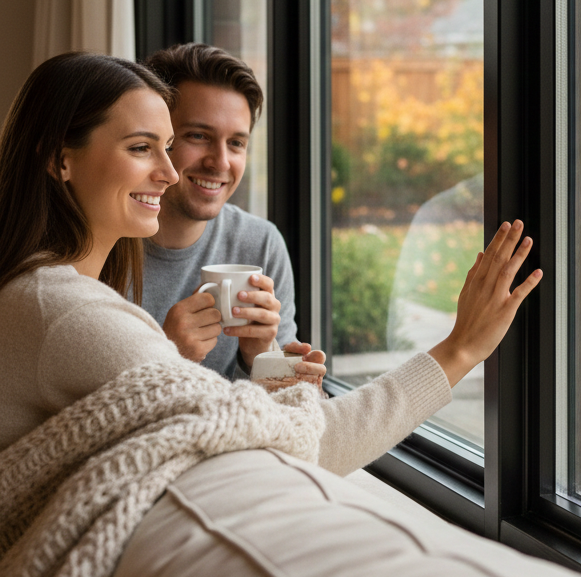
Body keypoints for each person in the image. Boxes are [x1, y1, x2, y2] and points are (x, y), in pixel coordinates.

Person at [0, 51, 541, 465]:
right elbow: (311, 446)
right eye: (144, 148)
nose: (168, 172)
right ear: (59, 162)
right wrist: (461, 347)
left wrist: (271, 365)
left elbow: (263, 418)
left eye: (167, 147)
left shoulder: (59, 285)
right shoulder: (69, 310)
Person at [140, 43, 293, 379]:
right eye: (198, 135)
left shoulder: (260, 244)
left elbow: (292, 412)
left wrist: (263, 358)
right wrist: (165, 355)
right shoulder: (100, 245)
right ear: (156, 139)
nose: (220, 162)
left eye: (236, 143)